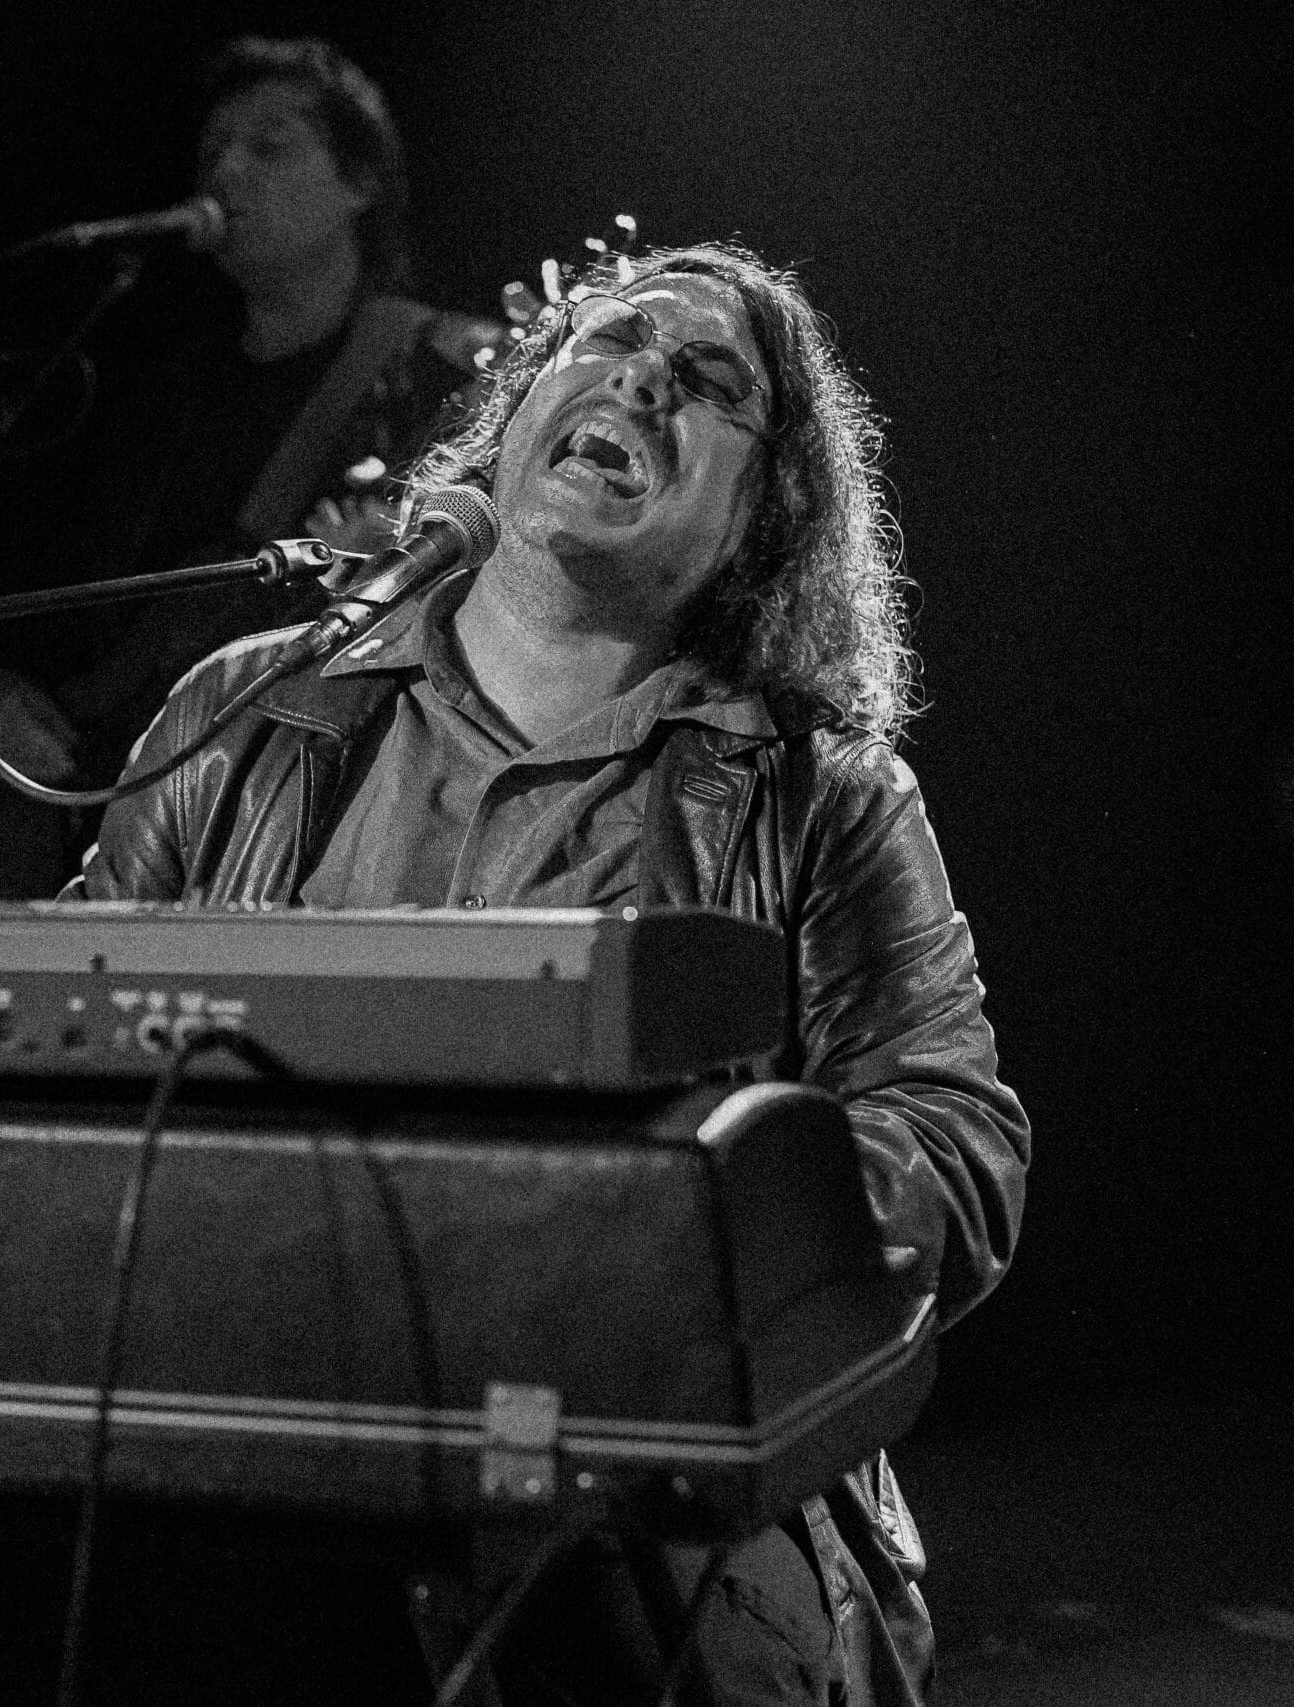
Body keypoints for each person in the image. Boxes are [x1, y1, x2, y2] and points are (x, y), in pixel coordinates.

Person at [75, 242, 1030, 1704]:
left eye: (706, 381)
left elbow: (954, 1146)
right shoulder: (247, 710)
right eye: (609, 339)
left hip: (644, 1520)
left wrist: (670, 1239)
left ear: (764, 514)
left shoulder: (819, 795)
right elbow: (64, 1042)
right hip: (260, 1462)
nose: (641, 379)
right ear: (520, 410)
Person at [0, 35, 500, 896]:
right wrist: (0, 688)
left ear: (360, 183)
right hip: (125, 823)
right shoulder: (157, 397)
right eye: (214, 150)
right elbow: (57, 606)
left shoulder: (441, 373)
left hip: (320, 829)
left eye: (270, 146)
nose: (226, 171)